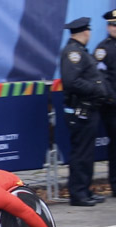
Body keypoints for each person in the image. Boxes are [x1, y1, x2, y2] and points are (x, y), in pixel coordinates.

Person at [60, 17, 108, 206]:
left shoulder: (80, 52)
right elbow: (71, 82)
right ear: (85, 32)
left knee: (87, 153)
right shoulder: (73, 53)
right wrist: (96, 88)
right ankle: (78, 194)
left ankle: (85, 189)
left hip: (88, 110)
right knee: (81, 154)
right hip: (81, 111)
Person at [94, 10, 116, 197]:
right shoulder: (103, 49)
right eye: (112, 25)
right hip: (113, 107)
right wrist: (112, 98)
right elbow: (101, 79)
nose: (114, 28)